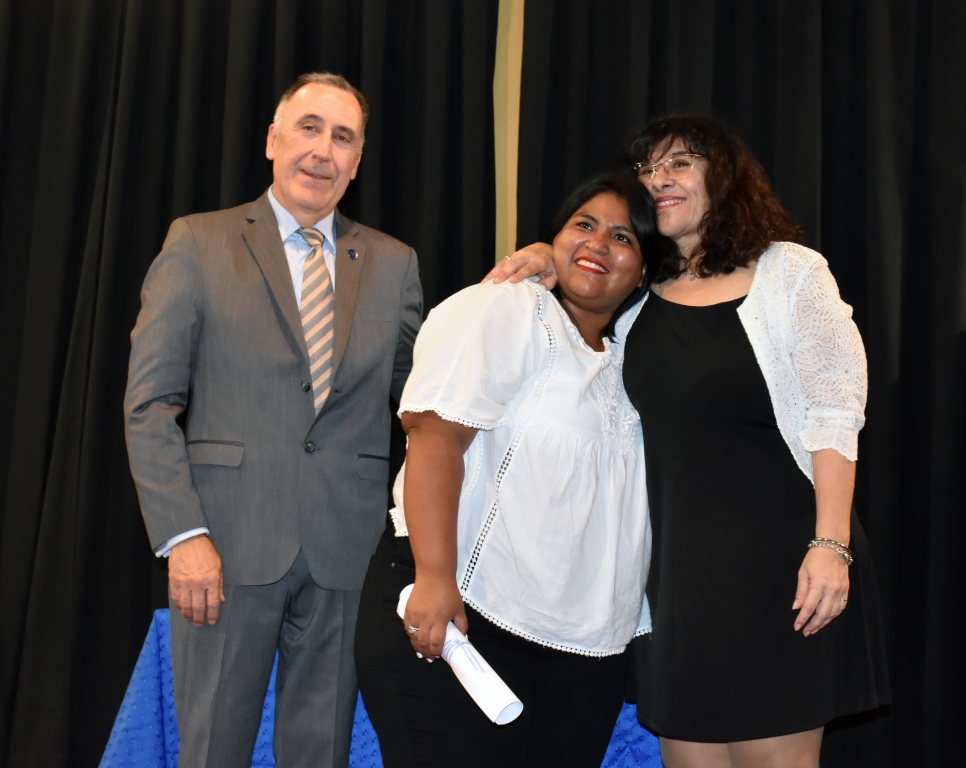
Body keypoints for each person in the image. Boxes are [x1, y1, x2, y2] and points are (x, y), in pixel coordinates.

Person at [491, 115, 890, 768]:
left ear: (725, 176)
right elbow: (578, 306)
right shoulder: (635, 295)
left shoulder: (789, 272)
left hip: (785, 571)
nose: (658, 179)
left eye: (680, 163)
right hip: (675, 585)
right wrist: (547, 255)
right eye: (647, 168)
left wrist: (830, 545)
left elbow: (835, 412)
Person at [123, 72, 422, 767]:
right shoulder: (197, 243)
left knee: (321, 754)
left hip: (346, 551)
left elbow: (428, 402)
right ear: (272, 140)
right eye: (309, 128)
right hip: (223, 549)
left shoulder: (393, 264)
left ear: (357, 160)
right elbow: (149, 404)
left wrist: (510, 301)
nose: (322, 150)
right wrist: (183, 535)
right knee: (212, 751)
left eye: (342, 138)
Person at [354, 173, 674, 768]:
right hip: (462, 617)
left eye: (623, 237)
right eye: (583, 225)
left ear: (644, 273)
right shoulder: (507, 308)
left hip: (586, 656)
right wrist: (435, 578)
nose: (597, 243)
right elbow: (435, 436)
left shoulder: (636, 363)